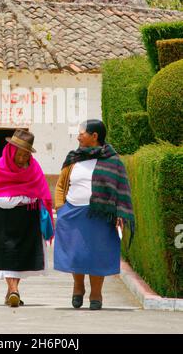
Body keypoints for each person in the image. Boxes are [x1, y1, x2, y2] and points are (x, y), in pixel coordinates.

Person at [54, 119, 135, 310]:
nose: (78, 137)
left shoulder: (113, 160)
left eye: (82, 133)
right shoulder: (73, 158)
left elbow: (121, 188)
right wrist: (60, 208)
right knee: (76, 254)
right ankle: (78, 285)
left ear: (94, 136)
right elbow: (60, 185)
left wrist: (119, 214)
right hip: (73, 212)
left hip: (101, 216)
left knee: (98, 255)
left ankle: (96, 293)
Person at [0, 129, 54, 308]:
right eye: (21, 154)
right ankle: (14, 290)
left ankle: (11, 291)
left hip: (28, 217)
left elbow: (42, 191)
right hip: (5, 217)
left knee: (20, 256)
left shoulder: (34, 167)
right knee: (7, 253)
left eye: (27, 154)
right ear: (11, 150)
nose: (24, 158)